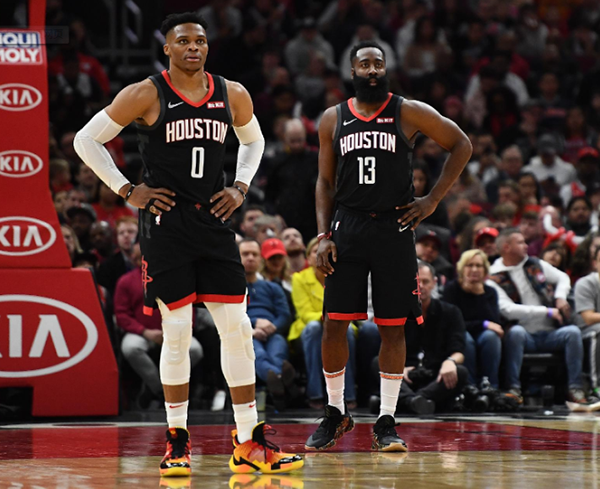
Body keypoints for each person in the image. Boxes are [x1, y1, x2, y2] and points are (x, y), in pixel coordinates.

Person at [73, 12, 302, 477]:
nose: (193, 47)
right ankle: (177, 439)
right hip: (166, 225)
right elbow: (86, 140)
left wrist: (240, 186)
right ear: (168, 48)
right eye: (183, 41)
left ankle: (249, 440)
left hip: (213, 221)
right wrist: (126, 189)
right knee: (177, 330)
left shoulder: (232, 93)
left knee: (237, 328)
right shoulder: (145, 93)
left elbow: (254, 142)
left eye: (199, 40)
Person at [305, 40, 472, 452]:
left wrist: (431, 200)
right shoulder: (333, 118)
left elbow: (461, 144)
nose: (372, 70)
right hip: (347, 225)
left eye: (378, 63)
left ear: (386, 69)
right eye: (364, 64)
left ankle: (386, 420)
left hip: (394, 227)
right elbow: (324, 182)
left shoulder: (407, 110)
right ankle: (335, 412)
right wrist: (323, 236)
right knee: (333, 323)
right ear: (352, 71)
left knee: (392, 326)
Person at [487, 229, 590, 404]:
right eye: (520, 242)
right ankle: (513, 388)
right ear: (506, 247)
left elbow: (563, 278)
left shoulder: (535, 264)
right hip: (524, 334)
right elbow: (507, 309)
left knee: (573, 332)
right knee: (516, 333)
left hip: (550, 333)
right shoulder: (493, 276)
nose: (526, 246)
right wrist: (546, 311)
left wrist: (560, 297)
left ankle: (575, 388)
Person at [116, 243, 203, 407]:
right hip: (142, 333)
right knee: (130, 348)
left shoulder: (177, 279)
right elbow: (121, 315)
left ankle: (166, 386)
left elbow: (187, 309)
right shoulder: (125, 281)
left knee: (195, 350)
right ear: (135, 260)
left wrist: (174, 331)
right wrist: (144, 331)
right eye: (140, 257)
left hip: (174, 330)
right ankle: (159, 389)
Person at [289, 237, 357, 410]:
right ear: (308, 257)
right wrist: (327, 318)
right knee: (314, 329)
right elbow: (304, 313)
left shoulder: (341, 278)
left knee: (347, 331)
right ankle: (315, 394)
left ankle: (348, 394)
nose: (320, 255)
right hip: (309, 328)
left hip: (338, 322)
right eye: (315, 252)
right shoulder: (299, 278)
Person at [398, 262, 468, 413]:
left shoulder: (450, 312)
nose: (420, 286)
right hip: (405, 376)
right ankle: (417, 401)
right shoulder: (398, 312)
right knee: (378, 364)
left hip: (435, 376)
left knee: (460, 371)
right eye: (416, 282)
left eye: (425, 281)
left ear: (434, 283)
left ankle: (409, 401)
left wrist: (450, 362)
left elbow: (459, 351)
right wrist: (398, 368)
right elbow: (387, 347)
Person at [239, 239, 295, 410]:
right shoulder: (232, 288)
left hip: (273, 332)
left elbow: (285, 315)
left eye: (254, 254)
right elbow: (229, 315)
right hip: (245, 332)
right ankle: (280, 378)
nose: (250, 258)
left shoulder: (273, 288)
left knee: (277, 350)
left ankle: (275, 380)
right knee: (258, 352)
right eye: (245, 254)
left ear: (260, 259)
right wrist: (253, 324)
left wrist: (271, 327)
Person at [443, 250, 502, 389]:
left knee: (491, 337)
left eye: (479, 266)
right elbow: (454, 323)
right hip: (460, 333)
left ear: (485, 270)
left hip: (482, 334)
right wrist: (483, 324)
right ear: (462, 269)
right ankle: (469, 386)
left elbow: (495, 323)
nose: (474, 269)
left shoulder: (490, 292)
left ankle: (490, 386)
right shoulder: (451, 289)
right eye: (469, 265)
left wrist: (480, 295)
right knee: (466, 338)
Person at [573, 245, 600, 397]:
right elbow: (588, 318)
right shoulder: (585, 283)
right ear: (595, 263)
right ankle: (596, 387)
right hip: (585, 332)